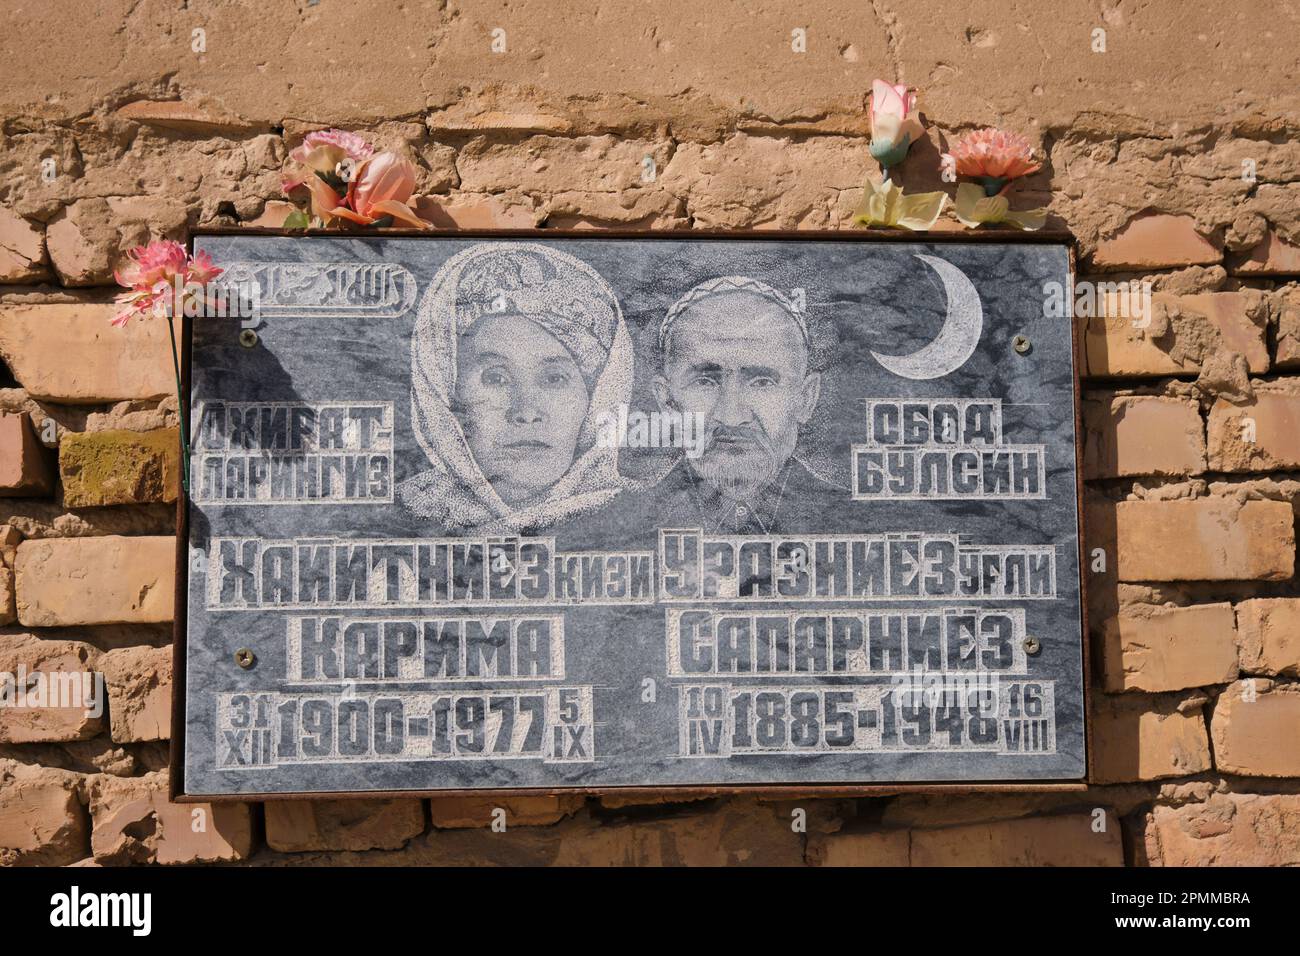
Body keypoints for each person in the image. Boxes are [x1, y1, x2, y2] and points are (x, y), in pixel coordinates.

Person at [399, 242, 638, 534]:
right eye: (495, 378)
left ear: (597, 397)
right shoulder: (394, 519)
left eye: (554, 378)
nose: (526, 412)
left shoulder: (643, 517)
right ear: (445, 394)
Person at [641, 275, 843, 535]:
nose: (732, 417)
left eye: (762, 383)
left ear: (805, 399)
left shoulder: (861, 521)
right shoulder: (619, 526)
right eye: (705, 382)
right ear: (667, 401)